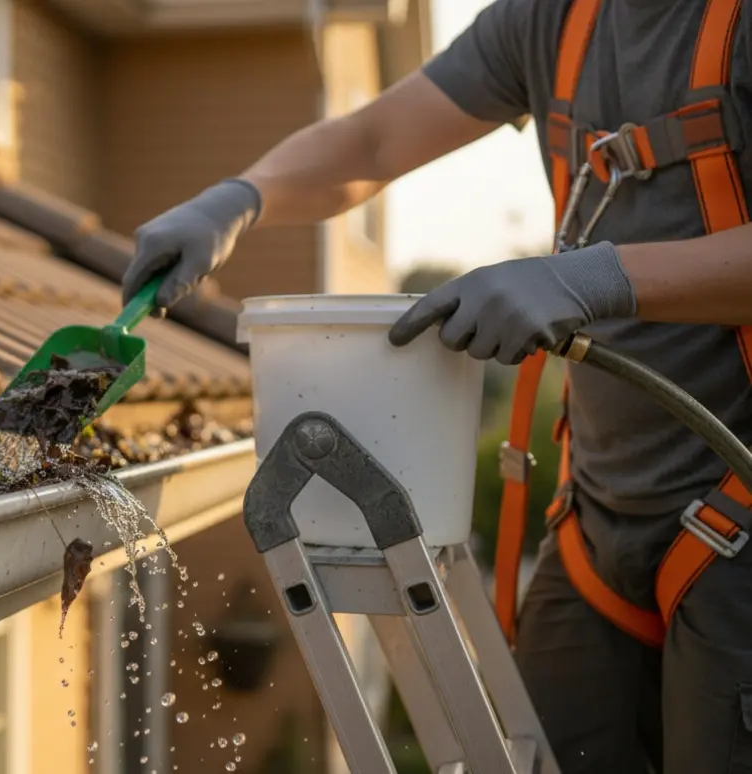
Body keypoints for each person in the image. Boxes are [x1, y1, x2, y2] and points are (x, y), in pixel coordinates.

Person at [120, 1, 752, 771]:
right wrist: (240, 200)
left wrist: (597, 276)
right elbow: (374, 139)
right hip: (598, 528)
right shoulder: (557, 21)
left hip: (736, 520)